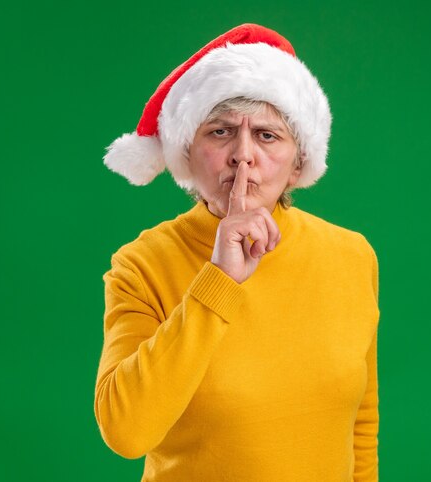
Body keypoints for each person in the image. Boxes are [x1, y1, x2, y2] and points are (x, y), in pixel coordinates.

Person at [94, 23, 381, 482]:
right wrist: (217, 281)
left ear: (299, 162)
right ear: (187, 152)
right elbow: (125, 431)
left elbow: (359, 428)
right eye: (221, 131)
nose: (242, 155)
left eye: (268, 135)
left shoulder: (351, 256)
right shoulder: (142, 264)